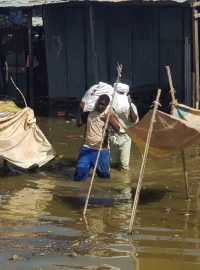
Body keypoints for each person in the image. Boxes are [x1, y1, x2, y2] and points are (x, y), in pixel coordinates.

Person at [74, 94, 120, 181]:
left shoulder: (109, 114)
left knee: (104, 177)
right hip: (86, 148)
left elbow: (118, 128)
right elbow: (78, 124)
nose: (100, 106)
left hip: (101, 150)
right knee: (79, 176)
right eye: (99, 103)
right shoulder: (90, 112)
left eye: (103, 105)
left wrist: (108, 119)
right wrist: (80, 110)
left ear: (107, 105)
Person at [109, 83, 139, 171]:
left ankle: (124, 183)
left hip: (126, 137)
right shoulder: (109, 106)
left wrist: (129, 105)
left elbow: (134, 120)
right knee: (111, 164)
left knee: (124, 166)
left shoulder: (131, 106)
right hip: (111, 136)